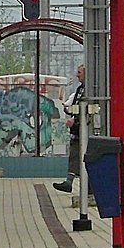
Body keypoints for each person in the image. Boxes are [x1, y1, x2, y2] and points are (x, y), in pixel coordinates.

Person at [53, 63, 85, 193]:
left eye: (79, 72)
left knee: (82, 157)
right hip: (78, 130)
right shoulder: (79, 89)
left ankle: (85, 188)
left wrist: (75, 120)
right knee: (74, 155)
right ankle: (69, 182)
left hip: (86, 130)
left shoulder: (91, 90)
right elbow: (75, 106)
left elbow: (89, 109)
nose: (77, 75)